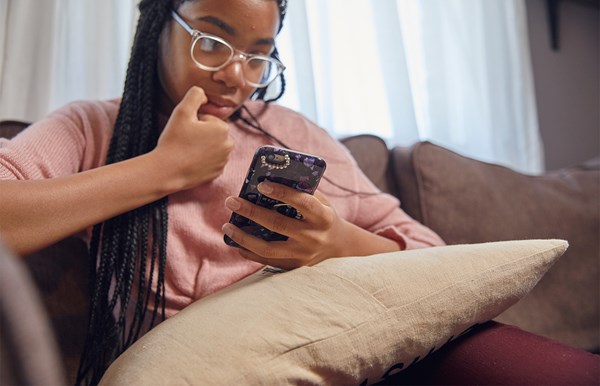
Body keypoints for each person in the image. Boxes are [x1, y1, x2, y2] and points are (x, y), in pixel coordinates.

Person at [0, 0, 445, 384]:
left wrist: (336, 244)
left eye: (258, 57)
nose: (236, 77)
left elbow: (433, 257)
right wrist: (161, 170)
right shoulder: (91, 129)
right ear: (158, 25)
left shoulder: (292, 136)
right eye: (211, 43)